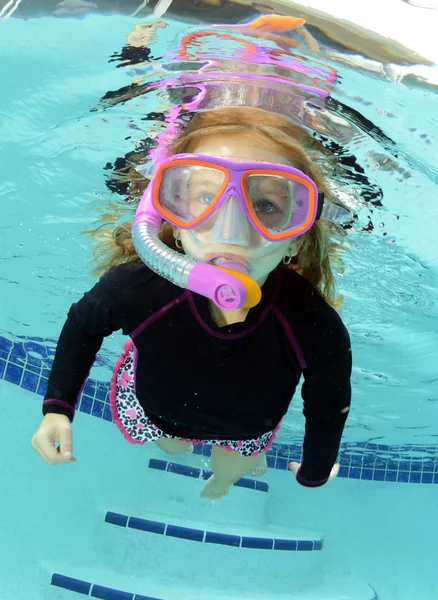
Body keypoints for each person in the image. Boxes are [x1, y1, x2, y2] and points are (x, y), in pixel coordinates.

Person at [31, 106, 352, 500]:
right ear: (173, 219)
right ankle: (187, 451)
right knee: (171, 444)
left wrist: (316, 467)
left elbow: (328, 401)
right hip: (157, 414)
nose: (231, 230)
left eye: (266, 205)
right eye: (206, 196)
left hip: (244, 431)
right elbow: (84, 325)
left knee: (229, 470)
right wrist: (57, 408)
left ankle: (221, 481)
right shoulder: (140, 288)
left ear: (297, 236)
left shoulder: (312, 323)